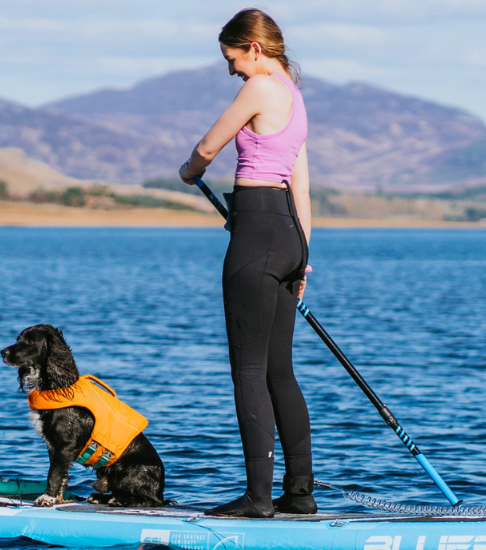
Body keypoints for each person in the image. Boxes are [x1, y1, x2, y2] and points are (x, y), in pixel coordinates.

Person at [178, 8, 315, 518]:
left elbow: (207, 147)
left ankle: (258, 498)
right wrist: (305, 261)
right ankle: (299, 494)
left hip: (256, 233)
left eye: (232, 57)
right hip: (289, 235)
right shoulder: (297, 101)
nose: (231, 69)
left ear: (254, 49)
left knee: (249, 371)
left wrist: (190, 169)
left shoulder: (260, 88)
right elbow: (301, 187)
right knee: (281, 371)